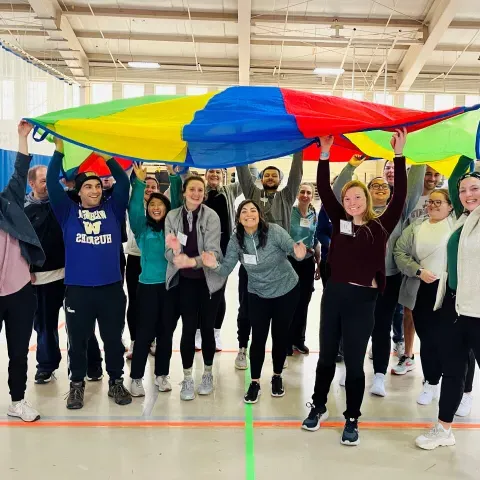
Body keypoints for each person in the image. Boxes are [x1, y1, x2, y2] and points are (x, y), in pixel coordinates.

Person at [301, 130, 407, 446]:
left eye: (356, 197)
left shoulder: (380, 226)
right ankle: (318, 406)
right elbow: (324, 188)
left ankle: (351, 417)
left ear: (367, 199)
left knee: (356, 363)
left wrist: (399, 156)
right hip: (333, 297)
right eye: (347, 198)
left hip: (363, 301)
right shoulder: (340, 221)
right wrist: (324, 154)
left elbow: (400, 196)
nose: (351, 201)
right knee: (325, 358)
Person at [47, 138, 132, 410]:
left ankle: (116, 381)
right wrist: (59, 151)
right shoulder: (67, 212)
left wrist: (107, 157)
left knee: (112, 341)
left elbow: (124, 183)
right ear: (79, 191)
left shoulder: (113, 209)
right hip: (78, 290)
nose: (94, 190)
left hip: (110, 289)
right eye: (88, 186)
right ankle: (76, 385)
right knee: (78, 341)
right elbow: (50, 183)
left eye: (97, 186)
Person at [332, 155, 424, 397]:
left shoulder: (397, 212)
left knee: (381, 327)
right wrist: (351, 164)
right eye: (375, 186)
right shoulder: (353, 216)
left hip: (388, 279)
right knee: (351, 326)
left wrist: (418, 155)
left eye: (384, 186)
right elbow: (338, 189)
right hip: (356, 281)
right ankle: (350, 368)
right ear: (367, 194)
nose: (380, 188)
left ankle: (380, 375)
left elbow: (412, 186)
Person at [201, 200, 305, 403]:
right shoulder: (236, 240)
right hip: (257, 293)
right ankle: (255, 382)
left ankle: (277, 376)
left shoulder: (274, 231)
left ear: (259, 214)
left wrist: (299, 253)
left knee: (280, 335)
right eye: (244, 211)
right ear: (239, 218)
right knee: (258, 338)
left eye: (253, 210)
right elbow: (225, 269)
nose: (249, 214)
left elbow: (293, 250)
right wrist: (214, 265)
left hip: (287, 290)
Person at [415, 157, 480, 450]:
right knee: (453, 369)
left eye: (475, 189)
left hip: (478, 309)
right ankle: (444, 429)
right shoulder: (464, 219)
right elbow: (455, 180)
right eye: (464, 190)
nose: (468, 194)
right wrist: (466, 144)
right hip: (453, 306)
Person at [235, 153, 303, 369]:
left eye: (275, 175)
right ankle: (243, 348)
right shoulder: (253, 193)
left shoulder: (286, 196)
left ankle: (278, 355)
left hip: (278, 268)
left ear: (280, 179)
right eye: (267, 174)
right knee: (246, 308)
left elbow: (296, 174)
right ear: (262, 178)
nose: (271, 177)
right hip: (251, 267)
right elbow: (243, 173)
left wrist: (299, 150)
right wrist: (241, 148)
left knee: (279, 314)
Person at [164, 175, 225, 401]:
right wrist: (177, 255)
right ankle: (188, 377)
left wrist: (194, 261)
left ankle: (207, 374)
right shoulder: (172, 216)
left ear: (204, 193)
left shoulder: (212, 217)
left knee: (207, 328)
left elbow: (213, 251)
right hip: (186, 282)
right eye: (192, 189)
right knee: (189, 328)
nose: (196, 193)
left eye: (200, 190)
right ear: (184, 192)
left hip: (209, 282)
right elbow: (168, 250)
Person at [170, 168, 242, 352]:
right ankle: (197, 332)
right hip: (197, 252)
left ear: (223, 176)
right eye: (211, 172)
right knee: (197, 293)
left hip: (221, 251)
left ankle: (215, 332)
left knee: (217, 292)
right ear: (205, 175)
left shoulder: (229, 191)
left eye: (218, 172)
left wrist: (240, 156)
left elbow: (245, 180)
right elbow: (186, 181)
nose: (215, 175)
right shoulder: (199, 192)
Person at [1, 121, 44, 422]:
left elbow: (20, 170)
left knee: (18, 352)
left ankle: (18, 401)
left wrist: (21, 137)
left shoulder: (9, 202)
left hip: (18, 290)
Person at [127, 163, 177, 396]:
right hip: (146, 288)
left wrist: (175, 176)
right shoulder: (141, 228)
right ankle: (136, 378)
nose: (156, 208)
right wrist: (138, 182)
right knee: (144, 333)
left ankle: (162, 375)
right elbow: (134, 208)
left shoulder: (172, 228)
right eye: (152, 205)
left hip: (169, 288)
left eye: (161, 205)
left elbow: (177, 203)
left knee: (166, 333)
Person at [395, 166, 443, 375]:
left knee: (434, 316)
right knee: (409, 312)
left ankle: (434, 361)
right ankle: (407, 354)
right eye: (428, 173)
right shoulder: (409, 198)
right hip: (412, 265)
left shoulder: (443, 199)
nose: (432, 178)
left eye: (436, 174)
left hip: (437, 267)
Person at [25, 165, 65, 384]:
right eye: (43, 181)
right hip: (39, 279)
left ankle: (89, 364)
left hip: (67, 275)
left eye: (50, 181)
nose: (48, 186)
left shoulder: (60, 202)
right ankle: (47, 365)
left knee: (79, 324)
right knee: (44, 324)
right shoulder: (23, 209)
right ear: (31, 184)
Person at [124, 174, 160, 359]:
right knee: (135, 302)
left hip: (154, 261)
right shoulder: (135, 204)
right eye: (146, 186)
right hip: (135, 258)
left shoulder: (161, 208)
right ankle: (134, 341)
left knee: (153, 303)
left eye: (153, 187)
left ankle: (151, 340)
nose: (149, 189)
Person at [288, 183, 320, 355]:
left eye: (309, 192)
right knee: (289, 301)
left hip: (307, 262)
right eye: (302, 191)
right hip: (290, 261)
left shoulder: (313, 214)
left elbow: (315, 240)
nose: (305, 195)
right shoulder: (289, 212)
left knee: (304, 302)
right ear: (297, 194)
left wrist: (318, 262)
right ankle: (286, 341)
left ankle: (299, 340)